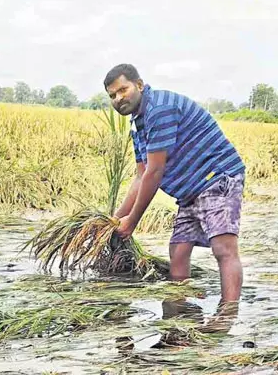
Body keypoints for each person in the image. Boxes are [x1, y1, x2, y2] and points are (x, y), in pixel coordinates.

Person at [104, 64, 245, 304]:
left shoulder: (160, 109)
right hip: (189, 192)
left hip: (217, 177)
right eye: (112, 96)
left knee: (223, 248)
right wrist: (114, 221)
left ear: (139, 85)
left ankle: (227, 314)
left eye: (123, 90)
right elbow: (141, 176)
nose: (118, 98)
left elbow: (155, 171)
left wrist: (133, 222)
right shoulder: (138, 123)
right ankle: (179, 311)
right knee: (178, 252)